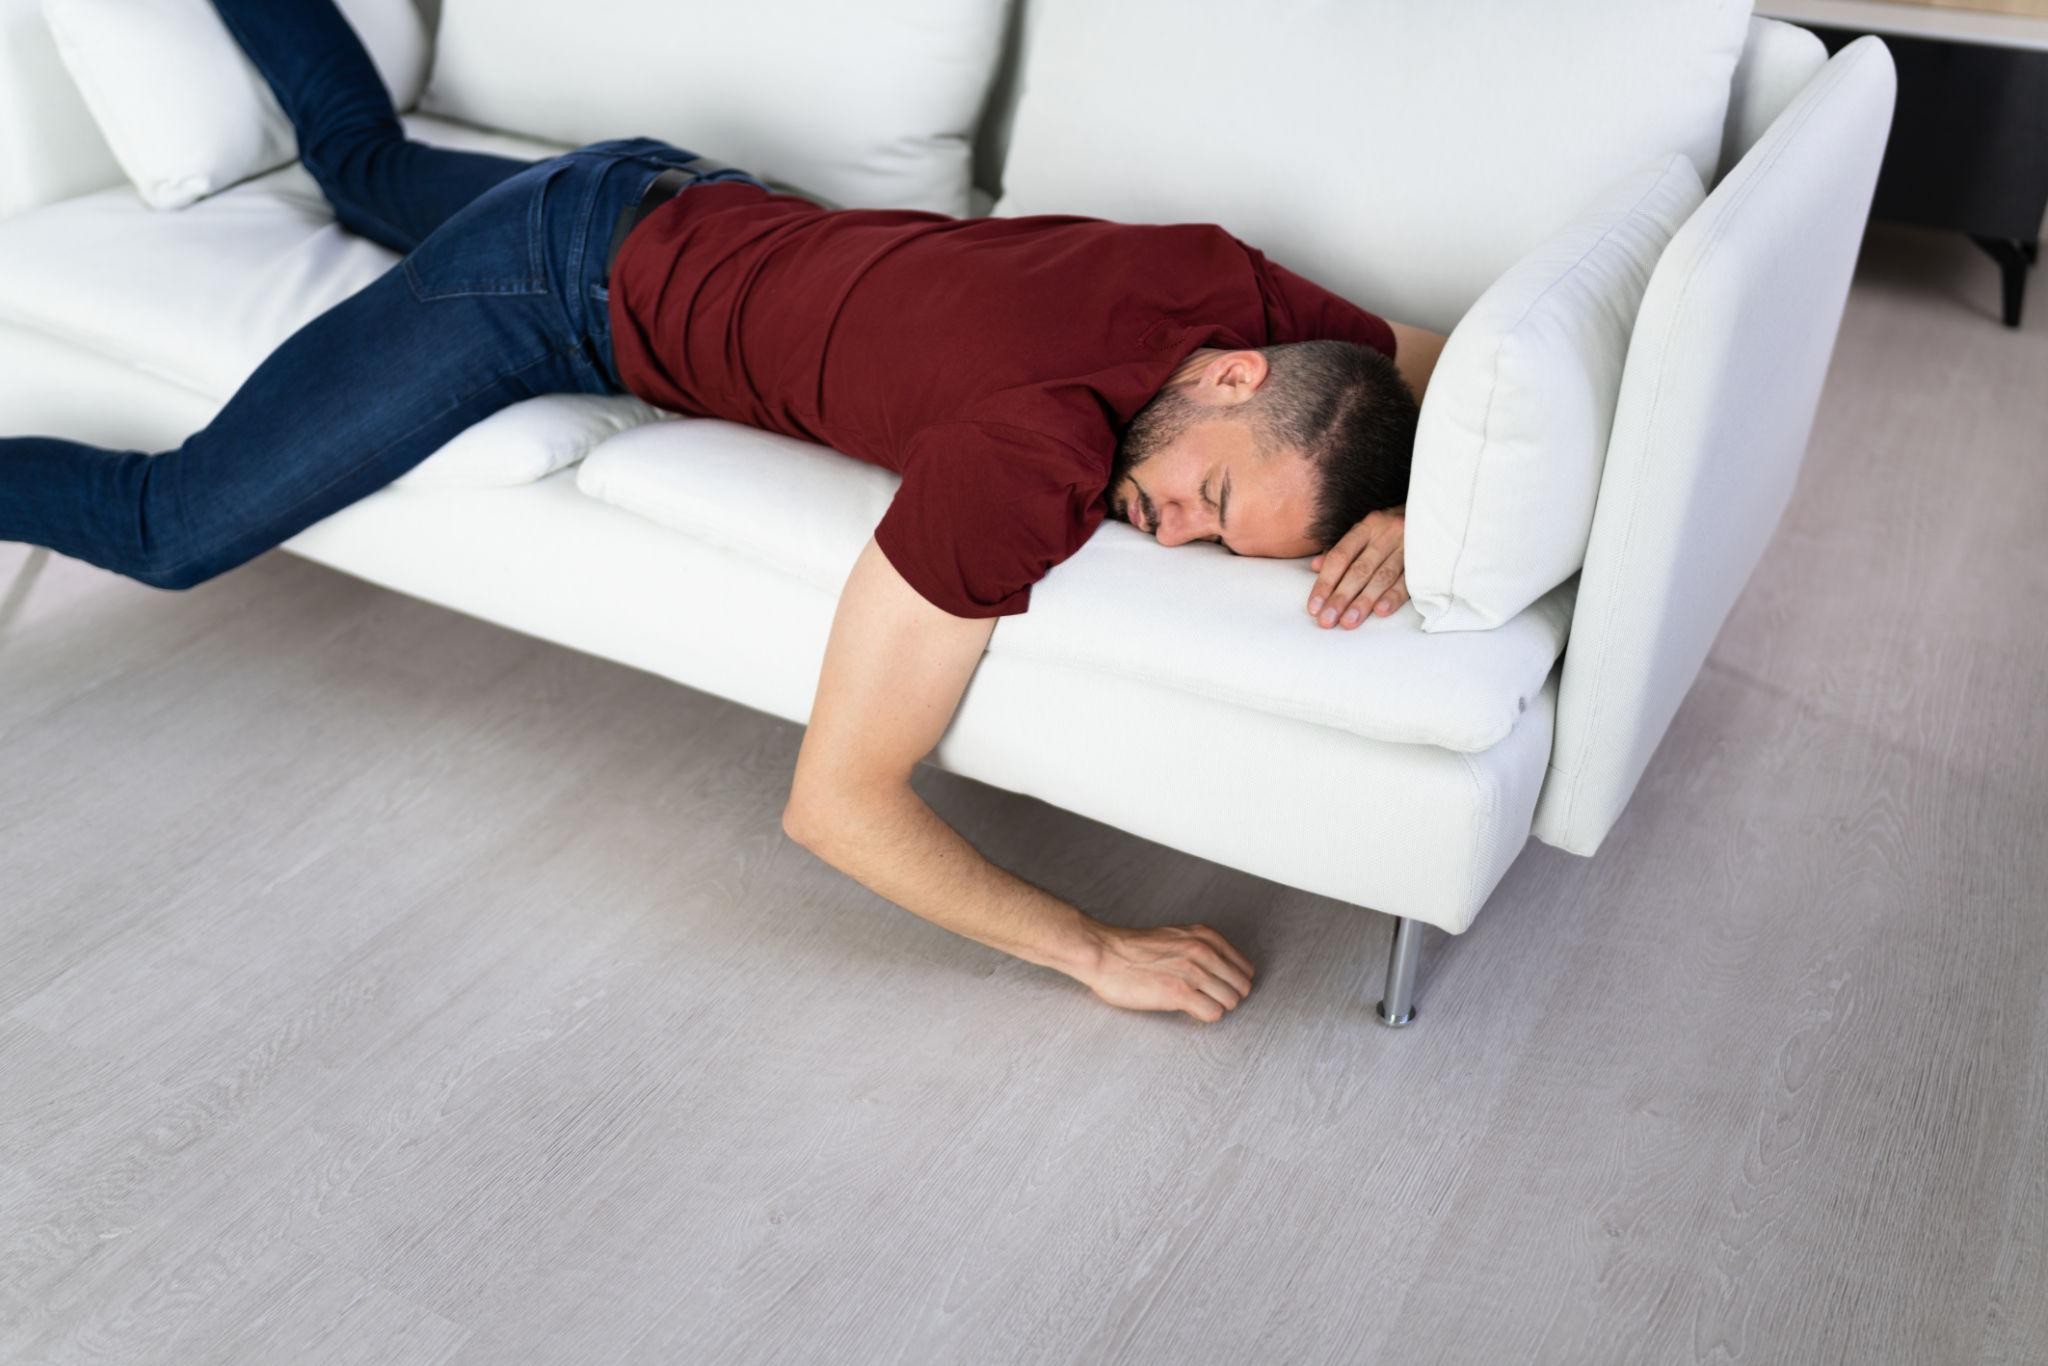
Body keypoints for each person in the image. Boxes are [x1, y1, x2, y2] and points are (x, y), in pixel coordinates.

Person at [0, 0, 1448, 1023]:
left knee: (359, 168)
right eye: (1207, 497)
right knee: (171, 528)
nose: (1170, 530)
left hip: (668, 188)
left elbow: (1439, 370)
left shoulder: (1223, 292)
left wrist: (1411, 510)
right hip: (551, 284)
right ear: (1241, 371)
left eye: (1217, 539)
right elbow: (838, 805)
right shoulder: (1034, 455)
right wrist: (1092, 950)